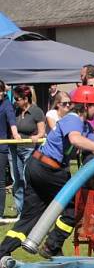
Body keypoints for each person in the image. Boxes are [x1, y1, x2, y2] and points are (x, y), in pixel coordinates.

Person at [0, 86, 94, 266]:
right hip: (50, 170)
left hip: (36, 166)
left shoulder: (85, 126)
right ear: (86, 105)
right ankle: (52, 246)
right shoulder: (73, 120)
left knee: (30, 217)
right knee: (73, 207)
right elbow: (75, 140)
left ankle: (2, 252)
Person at [9, 85, 44, 215]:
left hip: (29, 149)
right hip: (14, 149)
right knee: (17, 181)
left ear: (25, 99)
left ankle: (31, 210)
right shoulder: (14, 110)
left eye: (17, 99)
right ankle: (20, 211)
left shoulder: (36, 111)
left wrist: (36, 137)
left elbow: (42, 132)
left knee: (28, 179)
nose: (15, 101)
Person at [0, 86, 21, 217]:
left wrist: (15, 133)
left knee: (0, 182)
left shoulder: (6, 104)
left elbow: (11, 120)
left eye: (0, 90)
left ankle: (0, 213)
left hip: (1, 148)